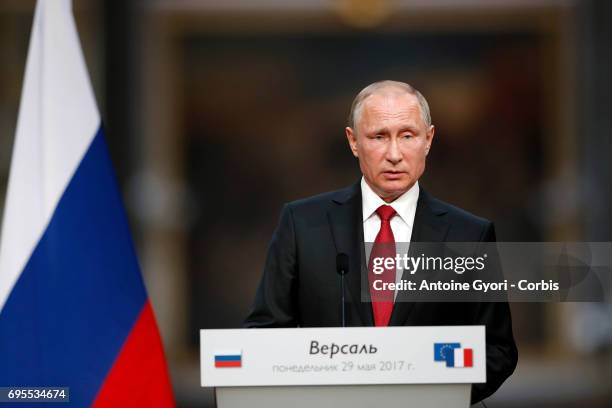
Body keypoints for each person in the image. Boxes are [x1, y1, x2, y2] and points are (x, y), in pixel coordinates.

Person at [244, 80, 518, 404]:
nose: (394, 154)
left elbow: (497, 350)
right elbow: (266, 335)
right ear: (353, 142)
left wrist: (435, 392)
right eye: (378, 136)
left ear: (428, 140)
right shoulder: (302, 225)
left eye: (407, 136)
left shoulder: (470, 236)